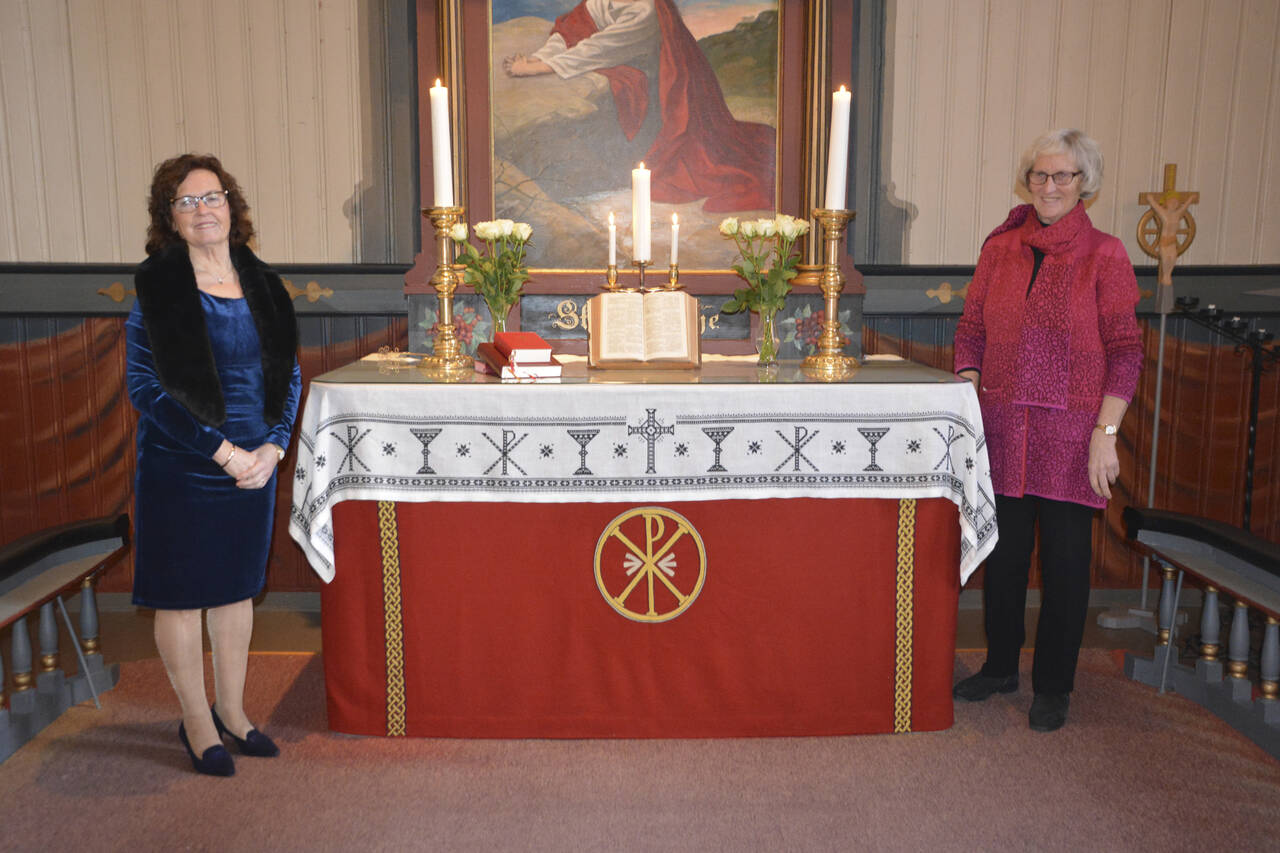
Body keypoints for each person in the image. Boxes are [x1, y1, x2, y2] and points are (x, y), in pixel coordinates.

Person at [952, 129, 1143, 732]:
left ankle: (1054, 685)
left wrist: (1105, 434)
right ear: (1027, 180)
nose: (1050, 186)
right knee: (1003, 561)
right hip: (1003, 431)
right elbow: (971, 332)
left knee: (1064, 567)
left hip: (1073, 437)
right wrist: (968, 389)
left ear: (1085, 183)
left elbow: (1126, 351)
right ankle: (1001, 666)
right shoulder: (1001, 249)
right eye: (1040, 175)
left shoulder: (1105, 254)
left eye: (1063, 176)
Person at [127, 154, 301, 775]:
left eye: (212, 196)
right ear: (169, 220)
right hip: (184, 465)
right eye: (186, 201)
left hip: (254, 463)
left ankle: (233, 712)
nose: (203, 209)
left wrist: (274, 447)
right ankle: (196, 723)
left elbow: (288, 372)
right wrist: (222, 451)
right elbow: (145, 388)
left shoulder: (264, 283)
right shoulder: (158, 287)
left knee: (233, 592)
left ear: (232, 204)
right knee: (181, 598)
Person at [504, 0, 775, 212]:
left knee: (649, 164)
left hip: (657, 92)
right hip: (617, 70)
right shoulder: (599, 3)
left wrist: (539, 68)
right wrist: (538, 59)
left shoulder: (646, 9)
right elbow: (568, 33)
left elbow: (598, 48)